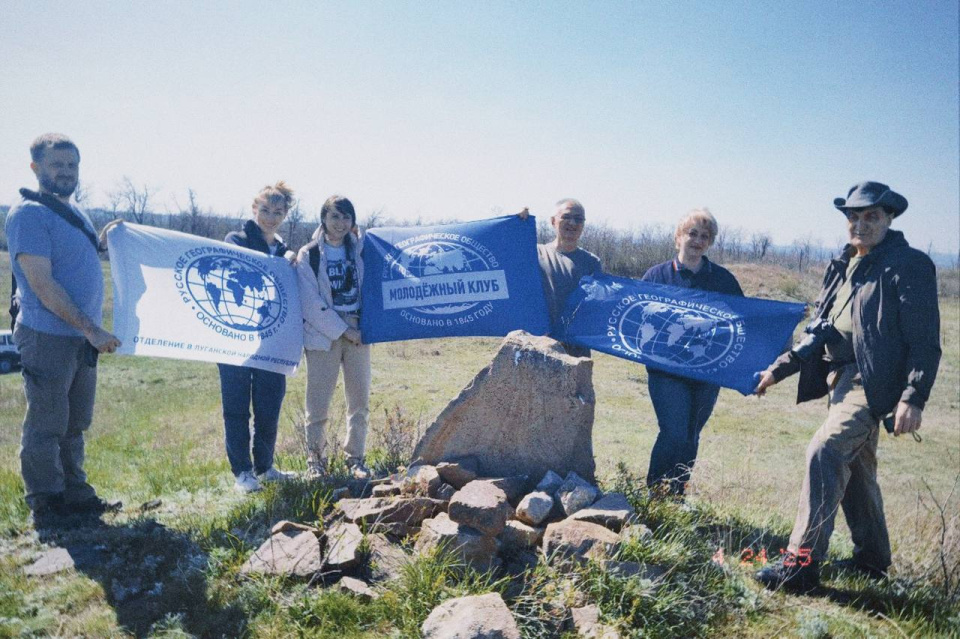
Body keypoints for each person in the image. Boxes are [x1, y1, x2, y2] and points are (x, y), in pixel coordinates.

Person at [754, 182, 941, 591]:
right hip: (840, 379)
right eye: (853, 217)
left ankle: (800, 565)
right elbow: (819, 331)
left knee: (825, 450)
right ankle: (873, 559)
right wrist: (777, 370)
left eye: (871, 216)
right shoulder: (842, 264)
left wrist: (913, 395)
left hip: (873, 383)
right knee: (855, 469)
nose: (860, 224)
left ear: (889, 219)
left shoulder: (907, 265)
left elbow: (924, 339)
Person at [5, 133, 122, 524]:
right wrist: (92, 329)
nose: (66, 172)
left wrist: (106, 242)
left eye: (72, 165)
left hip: (78, 336)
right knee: (48, 421)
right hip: (47, 334)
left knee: (75, 422)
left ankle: (76, 493)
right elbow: (42, 285)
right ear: (36, 168)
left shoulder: (76, 212)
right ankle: (46, 502)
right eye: (57, 165)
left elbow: (75, 261)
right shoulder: (28, 215)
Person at [641, 208, 743, 498]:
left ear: (710, 243)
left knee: (690, 436)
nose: (697, 240)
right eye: (692, 234)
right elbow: (638, 316)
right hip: (665, 372)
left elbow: (744, 321)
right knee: (673, 432)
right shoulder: (657, 275)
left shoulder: (723, 280)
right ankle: (655, 494)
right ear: (678, 238)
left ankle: (676, 495)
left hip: (707, 372)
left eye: (705, 236)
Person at [218, 182, 298, 493]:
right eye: (265, 210)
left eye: (277, 212)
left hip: (272, 340)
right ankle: (242, 472)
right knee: (236, 406)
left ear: (285, 215)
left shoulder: (284, 249)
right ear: (254, 209)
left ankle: (265, 467)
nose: (270, 217)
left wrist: (290, 257)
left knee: (269, 405)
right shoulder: (235, 240)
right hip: (235, 339)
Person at [295, 195, 371, 479]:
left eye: (346, 217)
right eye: (335, 216)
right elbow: (310, 303)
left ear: (353, 221)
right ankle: (315, 462)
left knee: (359, 402)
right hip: (322, 335)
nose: (340, 223)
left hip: (359, 333)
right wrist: (343, 331)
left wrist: (359, 329)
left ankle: (356, 459)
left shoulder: (361, 251)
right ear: (323, 219)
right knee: (317, 405)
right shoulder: (309, 254)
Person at [532, 199, 602, 357]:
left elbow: (596, 308)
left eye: (579, 219)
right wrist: (518, 220)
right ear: (553, 221)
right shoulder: (535, 254)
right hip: (539, 344)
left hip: (577, 349)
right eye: (566, 217)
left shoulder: (592, 263)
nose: (573, 222)